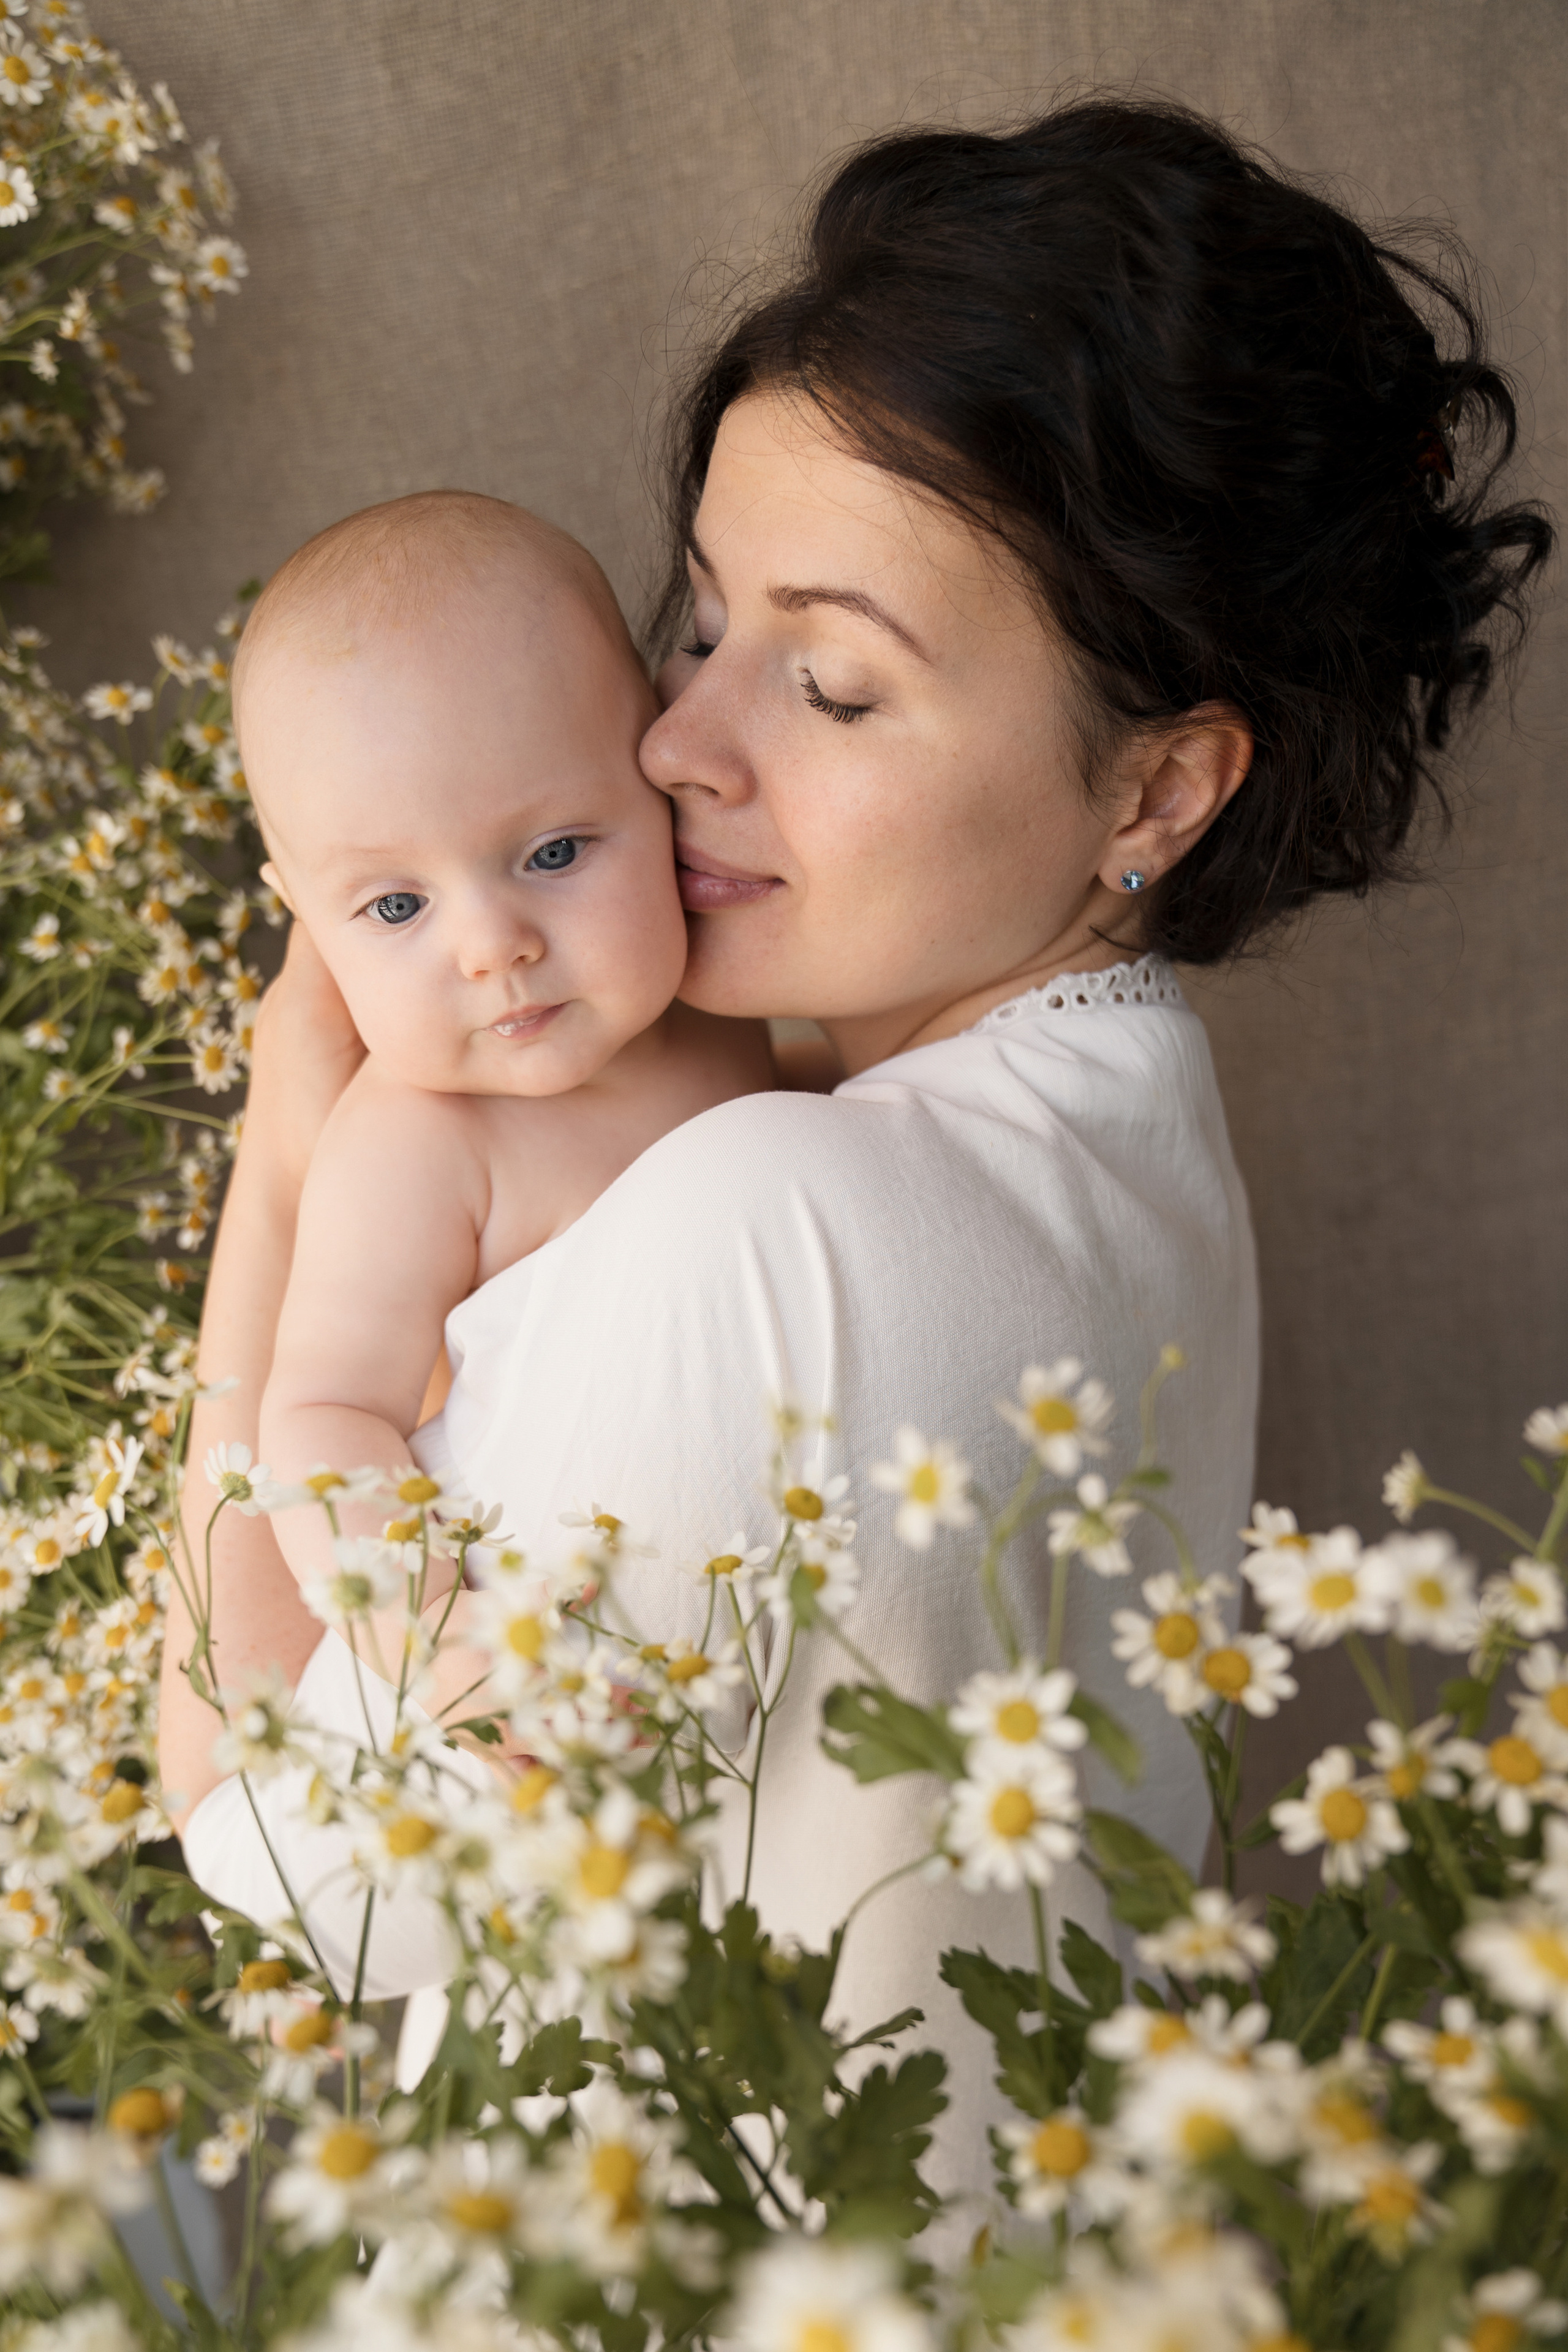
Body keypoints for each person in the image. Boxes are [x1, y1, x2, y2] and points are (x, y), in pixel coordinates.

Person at [162, 97, 1552, 2212]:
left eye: (828, 681)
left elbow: (284, 1861)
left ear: (1157, 790)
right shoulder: (1132, 1118)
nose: (677, 742)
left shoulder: (771, 1222)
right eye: (701, 622)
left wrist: (290, 1142)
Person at [235, 491, 772, 1600]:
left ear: (657, 784)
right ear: (304, 916)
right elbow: (327, 1414)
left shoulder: (716, 1009)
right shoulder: (415, 1145)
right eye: (394, 909)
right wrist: (423, 1635)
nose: (493, 947)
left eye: (556, 851)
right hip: (545, 1624)